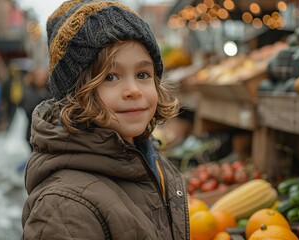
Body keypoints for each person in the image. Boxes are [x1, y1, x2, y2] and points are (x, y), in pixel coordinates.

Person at [21, 1, 189, 240]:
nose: (133, 90)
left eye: (143, 74)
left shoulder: (154, 165)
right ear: (75, 95)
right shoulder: (64, 208)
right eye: (110, 76)